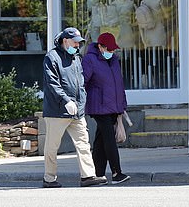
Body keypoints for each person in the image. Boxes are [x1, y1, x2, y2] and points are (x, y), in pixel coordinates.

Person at [42, 27, 107, 188]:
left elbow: (80, 82)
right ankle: (49, 178)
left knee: (83, 143)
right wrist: (66, 100)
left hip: (76, 111)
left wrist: (80, 104)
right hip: (57, 111)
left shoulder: (76, 57)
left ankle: (88, 176)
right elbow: (52, 84)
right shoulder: (52, 57)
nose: (78, 45)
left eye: (79, 43)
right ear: (65, 41)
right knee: (52, 146)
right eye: (75, 42)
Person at [82, 32, 131, 184]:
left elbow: (118, 84)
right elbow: (83, 81)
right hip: (99, 106)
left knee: (100, 140)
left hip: (113, 106)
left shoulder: (114, 60)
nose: (112, 52)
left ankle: (98, 173)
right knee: (109, 139)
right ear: (100, 47)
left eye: (113, 50)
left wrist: (122, 105)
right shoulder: (90, 59)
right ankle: (117, 173)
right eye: (109, 49)